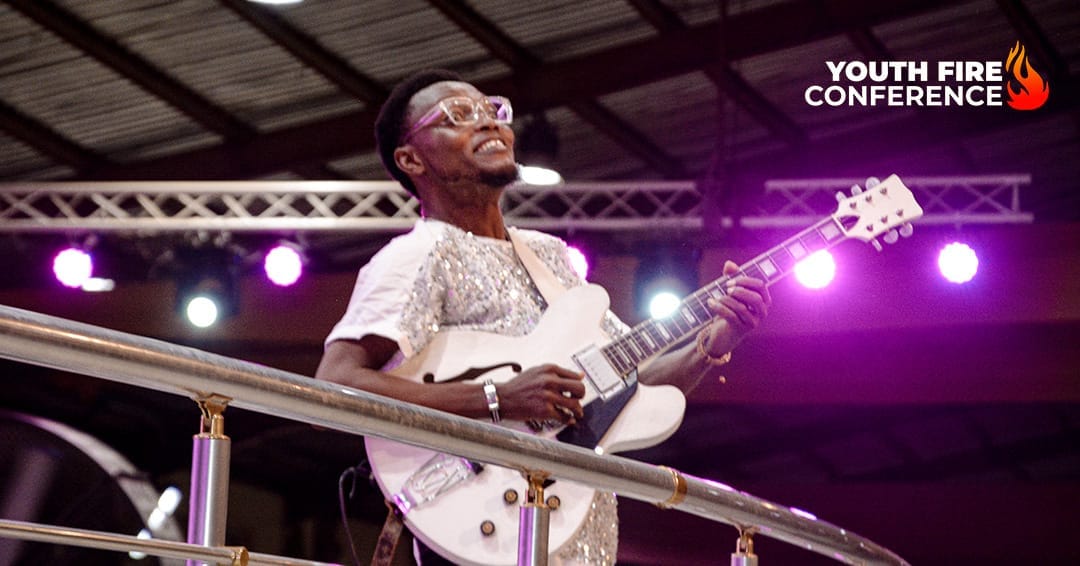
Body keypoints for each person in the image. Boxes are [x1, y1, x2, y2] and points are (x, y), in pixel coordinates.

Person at [314, 69, 771, 565]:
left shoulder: (548, 254)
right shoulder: (416, 255)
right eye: (459, 115)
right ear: (411, 159)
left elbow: (628, 386)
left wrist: (715, 341)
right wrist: (498, 398)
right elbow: (335, 385)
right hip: (480, 519)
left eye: (492, 110)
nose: (488, 123)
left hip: (578, 527)